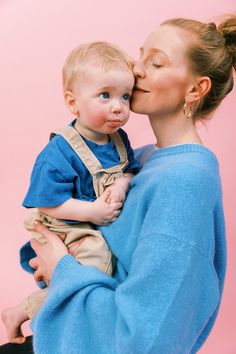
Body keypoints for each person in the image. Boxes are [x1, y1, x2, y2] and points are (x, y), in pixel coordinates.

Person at [1, 14, 236, 354]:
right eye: (140, 56)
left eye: (156, 62)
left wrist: (62, 267)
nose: (137, 70)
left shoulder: (185, 181)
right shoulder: (140, 157)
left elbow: (147, 339)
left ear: (196, 89)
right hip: (67, 336)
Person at [1, 42, 140, 344]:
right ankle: (28, 315)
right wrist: (92, 212)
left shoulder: (118, 139)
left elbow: (129, 169)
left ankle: (20, 313)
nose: (118, 106)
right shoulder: (59, 151)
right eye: (105, 95)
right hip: (64, 223)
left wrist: (121, 183)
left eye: (125, 96)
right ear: (72, 102)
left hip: (93, 222)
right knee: (96, 268)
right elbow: (49, 203)